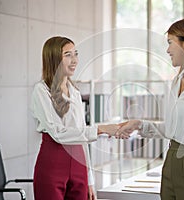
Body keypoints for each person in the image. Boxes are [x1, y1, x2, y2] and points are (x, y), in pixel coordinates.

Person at [118, 18, 184, 200]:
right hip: (172, 161)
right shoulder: (176, 82)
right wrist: (139, 125)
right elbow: (172, 129)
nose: (167, 50)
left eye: (170, 43)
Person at [30, 36, 126, 200]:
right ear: (54, 58)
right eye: (68, 55)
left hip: (78, 164)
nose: (74, 60)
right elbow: (58, 133)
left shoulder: (75, 92)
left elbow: (82, 138)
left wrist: (90, 180)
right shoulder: (41, 91)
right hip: (53, 163)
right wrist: (100, 129)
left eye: (76, 54)